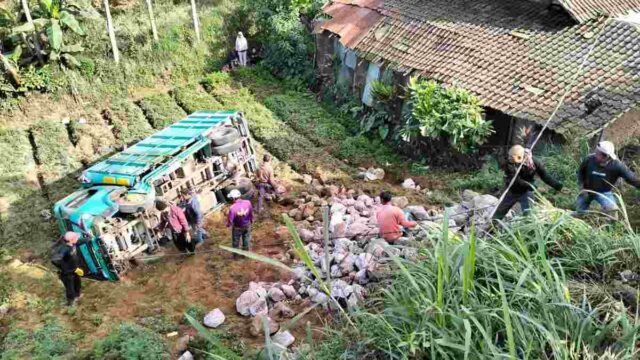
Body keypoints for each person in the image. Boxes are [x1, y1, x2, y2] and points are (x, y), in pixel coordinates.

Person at [493, 145, 563, 220]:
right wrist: (535, 188)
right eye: (509, 156)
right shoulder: (509, 164)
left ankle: (524, 227)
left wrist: (559, 187)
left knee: (528, 215)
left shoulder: (533, 162)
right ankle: (491, 227)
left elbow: (544, 176)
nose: (509, 159)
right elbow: (517, 181)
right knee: (499, 212)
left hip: (526, 192)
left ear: (520, 157)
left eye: (512, 157)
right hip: (512, 190)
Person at [575, 141, 640, 215]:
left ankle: (607, 222)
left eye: (600, 154)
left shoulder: (617, 166)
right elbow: (580, 173)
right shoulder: (589, 159)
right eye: (597, 152)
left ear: (607, 156)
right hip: (587, 190)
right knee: (579, 212)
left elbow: (632, 179)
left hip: (604, 193)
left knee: (613, 211)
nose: (597, 155)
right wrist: (582, 188)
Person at [52, 231, 84, 306]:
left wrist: (91, 238)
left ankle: (77, 297)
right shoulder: (65, 249)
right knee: (70, 288)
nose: (77, 238)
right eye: (76, 238)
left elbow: (81, 241)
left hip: (74, 271)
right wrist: (65, 268)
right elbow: (55, 259)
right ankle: (70, 304)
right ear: (71, 240)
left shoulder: (73, 245)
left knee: (77, 284)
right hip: (67, 273)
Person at [226, 189, 254, 257]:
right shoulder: (248, 202)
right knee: (246, 240)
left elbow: (230, 221)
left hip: (237, 228)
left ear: (233, 198)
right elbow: (251, 213)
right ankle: (245, 254)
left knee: (236, 242)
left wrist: (228, 225)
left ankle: (235, 256)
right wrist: (251, 220)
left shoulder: (232, 208)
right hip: (247, 225)